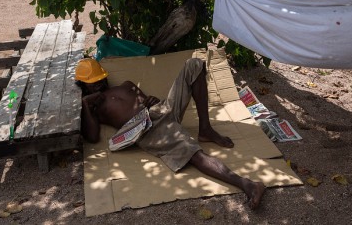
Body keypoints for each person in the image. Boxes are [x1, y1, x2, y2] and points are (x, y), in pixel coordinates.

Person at [76, 57, 266, 210]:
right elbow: (92, 137)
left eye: (101, 79)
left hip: (161, 110)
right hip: (147, 128)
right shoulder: (94, 107)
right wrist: (86, 103)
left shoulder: (126, 84)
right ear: (84, 87)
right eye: (93, 84)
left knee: (195, 65)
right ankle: (247, 184)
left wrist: (151, 100)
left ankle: (205, 129)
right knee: (195, 154)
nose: (99, 85)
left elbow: (146, 101)